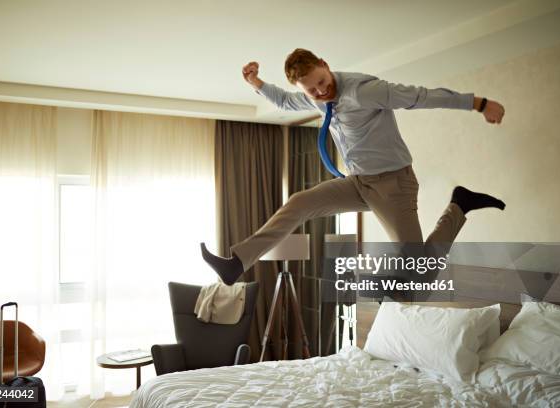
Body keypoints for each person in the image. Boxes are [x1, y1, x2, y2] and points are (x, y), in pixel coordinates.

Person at [201, 48, 506, 286]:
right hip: (357, 183)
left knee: (420, 274)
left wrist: (478, 104)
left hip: (392, 185)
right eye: (311, 90)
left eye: (321, 81)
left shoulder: (364, 90)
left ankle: (459, 206)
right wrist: (256, 82)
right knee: (298, 203)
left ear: (325, 63)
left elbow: (420, 97)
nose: (321, 92)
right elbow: (285, 101)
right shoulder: (317, 98)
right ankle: (237, 263)